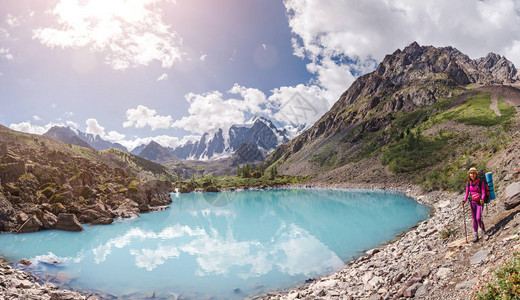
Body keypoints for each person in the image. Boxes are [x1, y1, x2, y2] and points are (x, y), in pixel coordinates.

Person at [462, 167, 487, 242]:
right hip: (472, 202)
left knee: (478, 218)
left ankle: (484, 232)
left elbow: (483, 192)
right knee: (474, 219)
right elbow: (467, 193)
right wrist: (464, 200)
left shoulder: (480, 182)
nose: (471, 175)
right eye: (470, 173)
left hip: (479, 202)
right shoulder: (469, 182)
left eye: (473, 173)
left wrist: (482, 199)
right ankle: (476, 235)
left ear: (476, 174)